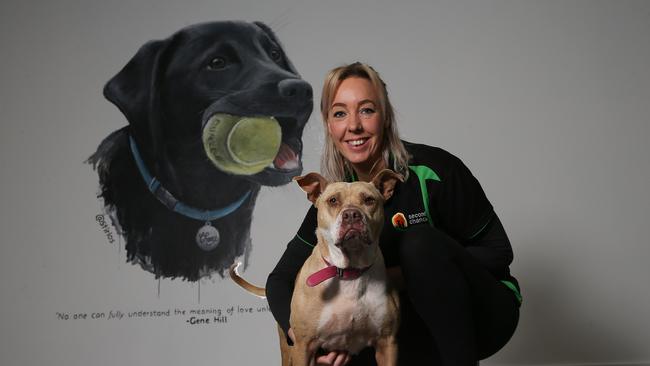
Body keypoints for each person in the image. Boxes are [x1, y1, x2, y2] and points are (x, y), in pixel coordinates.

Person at [266, 62, 521, 366]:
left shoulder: (435, 170)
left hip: (483, 314)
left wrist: (396, 276)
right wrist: (308, 338)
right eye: (339, 113)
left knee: (418, 246)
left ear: (385, 117)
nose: (354, 126)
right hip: (412, 327)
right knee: (355, 328)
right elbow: (280, 280)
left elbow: (498, 252)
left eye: (367, 110)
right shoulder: (335, 201)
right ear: (329, 125)